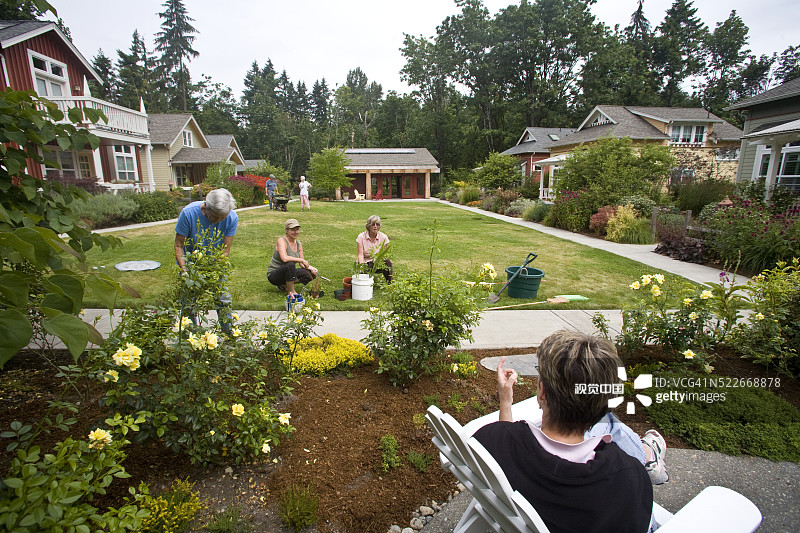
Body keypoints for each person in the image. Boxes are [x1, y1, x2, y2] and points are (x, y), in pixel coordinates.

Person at [473, 331, 667, 533]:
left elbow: (505, 438)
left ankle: (648, 451)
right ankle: (648, 453)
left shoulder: (490, 440)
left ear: (542, 393)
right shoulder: (627, 477)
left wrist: (505, 402)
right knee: (612, 427)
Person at [174, 188, 238, 332]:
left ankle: (229, 334)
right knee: (188, 301)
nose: (219, 220)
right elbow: (179, 245)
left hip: (215, 264)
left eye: (222, 217)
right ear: (206, 207)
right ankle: (190, 336)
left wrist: (214, 270)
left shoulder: (232, 217)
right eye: (216, 217)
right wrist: (184, 270)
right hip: (190, 263)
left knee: (223, 298)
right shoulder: (188, 213)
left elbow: (224, 250)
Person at [267, 219, 318, 296]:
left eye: (297, 229)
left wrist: (311, 268)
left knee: (310, 274)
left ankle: (284, 285)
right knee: (290, 264)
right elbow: (285, 258)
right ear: (286, 230)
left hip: (289, 272)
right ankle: (291, 292)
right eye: (293, 230)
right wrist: (301, 260)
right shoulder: (281, 241)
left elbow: (302, 264)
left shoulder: (298, 244)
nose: (296, 232)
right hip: (274, 275)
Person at [356, 215, 392, 282]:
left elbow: (384, 255)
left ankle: (390, 282)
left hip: (378, 262)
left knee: (388, 262)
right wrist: (361, 266)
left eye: (377, 224)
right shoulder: (361, 237)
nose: (375, 226)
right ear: (369, 226)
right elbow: (360, 255)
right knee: (363, 280)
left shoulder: (383, 237)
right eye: (373, 224)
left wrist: (371, 255)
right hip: (366, 262)